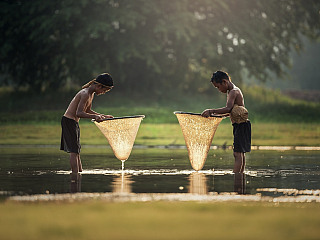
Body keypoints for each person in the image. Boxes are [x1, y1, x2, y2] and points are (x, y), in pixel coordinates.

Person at [60, 73, 114, 173]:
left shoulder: (91, 94)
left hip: (73, 122)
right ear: (99, 86)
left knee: (77, 150)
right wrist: (95, 117)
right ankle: (75, 175)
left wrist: (103, 116)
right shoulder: (85, 94)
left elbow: (88, 110)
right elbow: (79, 113)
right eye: (104, 90)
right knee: (74, 150)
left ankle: (79, 173)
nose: (103, 93)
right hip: (68, 121)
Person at [201, 70, 251, 173]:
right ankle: (240, 176)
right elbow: (230, 112)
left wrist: (211, 111)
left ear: (224, 82)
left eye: (218, 87)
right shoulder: (233, 91)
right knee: (240, 153)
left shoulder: (233, 92)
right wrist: (215, 116)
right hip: (241, 125)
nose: (219, 90)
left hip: (240, 126)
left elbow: (228, 109)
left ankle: (236, 176)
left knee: (237, 154)